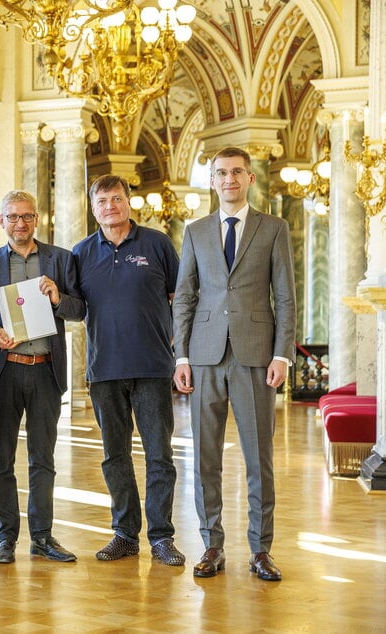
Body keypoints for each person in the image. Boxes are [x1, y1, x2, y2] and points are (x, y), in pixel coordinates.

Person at [172, 146, 296, 581]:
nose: (229, 179)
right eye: (221, 173)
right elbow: (185, 295)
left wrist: (282, 353)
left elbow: (284, 296)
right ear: (212, 180)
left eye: (237, 172)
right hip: (204, 357)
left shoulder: (274, 228)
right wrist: (181, 355)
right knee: (205, 457)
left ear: (250, 178)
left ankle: (261, 550)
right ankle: (212, 545)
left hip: (256, 356)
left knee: (258, 455)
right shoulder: (195, 231)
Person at [72, 175, 184, 566]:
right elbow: (74, 309)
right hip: (105, 370)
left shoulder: (157, 244)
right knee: (114, 456)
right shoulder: (81, 252)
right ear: (93, 208)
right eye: (102, 201)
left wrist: (180, 350)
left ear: (128, 202)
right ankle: (124, 533)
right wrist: (52, 295)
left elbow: (181, 298)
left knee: (159, 455)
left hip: (153, 367)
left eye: (116, 199)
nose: (110, 206)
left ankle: (161, 537)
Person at [0, 190, 83, 564]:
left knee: (43, 459)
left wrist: (57, 299)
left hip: (44, 373)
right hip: (4, 370)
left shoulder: (60, 259)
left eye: (27, 216)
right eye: (13, 216)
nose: (20, 223)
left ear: (37, 219)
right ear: (2, 221)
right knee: (1, 458)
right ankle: (5, 537)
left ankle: (42, 537)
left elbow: (79, 309)